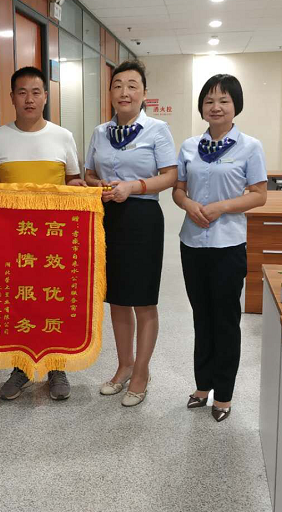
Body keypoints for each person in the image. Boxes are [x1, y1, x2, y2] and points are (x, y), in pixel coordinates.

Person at [0, 66, 86, 401]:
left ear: (45, 96)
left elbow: (73, 181)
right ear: (12, 97)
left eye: (36, 92)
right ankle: (21, 368)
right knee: (19, 303)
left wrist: (80, 188)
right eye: (22, 92)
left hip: (53, 239)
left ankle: (57, 367)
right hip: (13, 241)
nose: (29, 99)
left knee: (53, 301)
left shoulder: (63, 136)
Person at [172, 73, 267, 422]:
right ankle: (203, 385)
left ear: (235, 106)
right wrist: (188, 204)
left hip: (228, 245)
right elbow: (178, 189)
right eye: (209, 101)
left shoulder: (250, 147)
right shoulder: (189, 146)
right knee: (202, 317)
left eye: (223, 100)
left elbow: (259, 195)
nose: (216, 107)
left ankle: (223, 393)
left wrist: (221, 207)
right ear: (201, 107)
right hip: (192, 243)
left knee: (225, 320)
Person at [84, 60, 177, 407]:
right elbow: (88, 173)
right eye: (118, 85)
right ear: (110, 92)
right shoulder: (100, 132)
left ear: (144, 93)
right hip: (108, 218)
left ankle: (141, 372)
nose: (124, 92)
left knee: (143, 299)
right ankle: (123, 366)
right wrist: (99, 185)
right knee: (119, 298)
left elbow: (170, 176)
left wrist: (133, 187)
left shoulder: (157, 130)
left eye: (132, 85)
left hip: (143, 218)